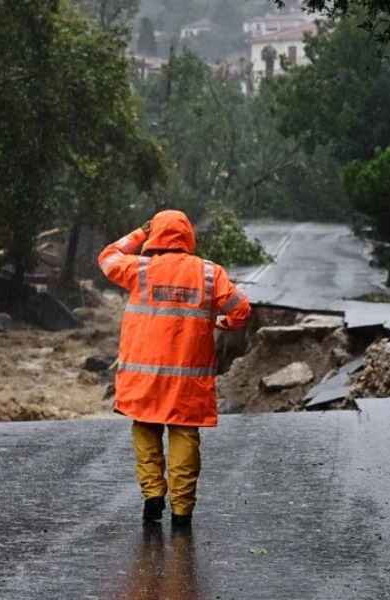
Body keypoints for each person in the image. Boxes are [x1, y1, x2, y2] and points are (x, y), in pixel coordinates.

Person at [98, 209, 252, 527]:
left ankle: (153, 495)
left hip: (145, 377)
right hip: (187, 380)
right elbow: (241, 309)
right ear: (188, 236)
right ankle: (182, 511)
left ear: (156, 236)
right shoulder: (210, 273)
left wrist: (139, 233)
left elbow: (107, 257)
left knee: (145, 428)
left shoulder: (141, 269)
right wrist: (223, 323)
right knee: (184, 435)